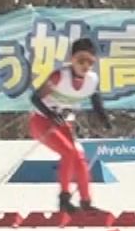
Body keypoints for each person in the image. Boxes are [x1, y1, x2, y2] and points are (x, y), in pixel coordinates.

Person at [28, 38, 112, 214]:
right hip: (41, 122)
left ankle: (86, 202)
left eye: (90, 61)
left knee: (80, 158)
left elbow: (96, 102)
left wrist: (104, 120)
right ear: (72, 59)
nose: (85, 65)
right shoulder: (59, 76)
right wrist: (51, 114)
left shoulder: (91, 80)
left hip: (63, 124)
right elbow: (35, 98)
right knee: (68, 152)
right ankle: (64, 200)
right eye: (81, 60)